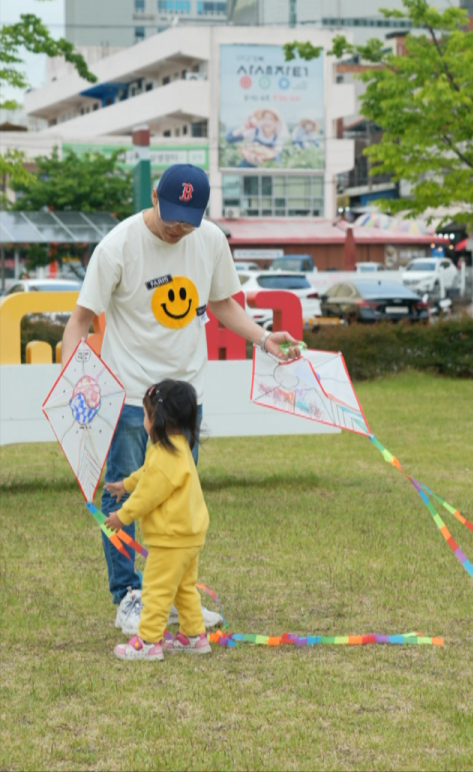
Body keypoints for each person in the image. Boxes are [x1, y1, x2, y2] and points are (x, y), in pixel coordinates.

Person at [61, 163, 301, 635]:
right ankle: (129, 595)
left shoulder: (209, 240)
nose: (177, 230)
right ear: (154, 197)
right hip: (132, 395)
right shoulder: (118, 246)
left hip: (187, 398)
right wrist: (74, 380)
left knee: (178, 498)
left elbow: (224, 304)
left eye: (187, 222)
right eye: (171, 218)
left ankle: (174, 593)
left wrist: (264, 338)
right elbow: (80, 321)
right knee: (126, 491)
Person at [107, 379, 210, 661]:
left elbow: (148, 495)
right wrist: (125, 485)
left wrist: (122, 516)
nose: (143, 420)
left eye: (144, 414)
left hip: (171, 539)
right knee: (183, 588)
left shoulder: (165, 456)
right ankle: (194, 635)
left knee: (155, 589)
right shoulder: (173, 447)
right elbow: (145, 474)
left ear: (158, 419)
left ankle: (149, 642)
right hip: (189, 536)